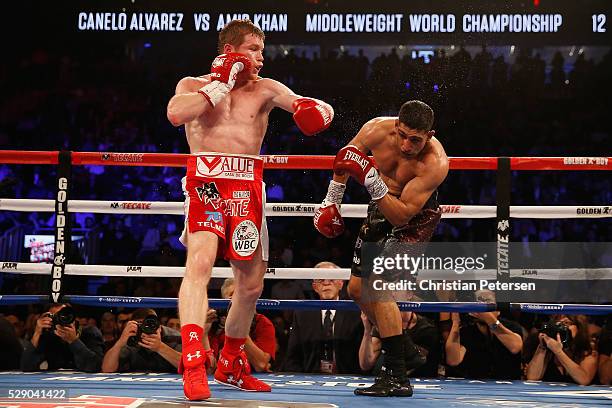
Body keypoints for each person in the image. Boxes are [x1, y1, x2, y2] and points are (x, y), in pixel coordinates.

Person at [166, 19, 333, 400]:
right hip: (206, 183)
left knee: (251, 283)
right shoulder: (192, 84)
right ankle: (194, 362)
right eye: (254, 50)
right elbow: (176, 114)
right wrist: (220, 84)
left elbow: (304, 105)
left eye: (262, 51)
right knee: (201, 264)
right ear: (231, 51)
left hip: (246, 187)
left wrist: (320, 110)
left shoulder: (266, 89)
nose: (261, 58)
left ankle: (230, 362)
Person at [314, 100, 448, 397]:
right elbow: (346, 157)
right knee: (358, 290)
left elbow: (401, 214)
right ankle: (405, 348)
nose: (405, 145)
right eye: (402, 134)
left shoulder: (434, 163)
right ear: (396, 125)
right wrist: (332, 200)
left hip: (414, 219)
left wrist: (370, 178)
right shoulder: (376, 129)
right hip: (380, 206)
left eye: (415, 139)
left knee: (380, 287)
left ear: (429, 135)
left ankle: (396, 376)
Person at [283, 262, 363, 374]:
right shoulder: (303, 314)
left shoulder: (355, 312)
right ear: (314, 286)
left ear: (341, 284)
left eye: (332, 279)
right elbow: (292, 356)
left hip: (347, 376)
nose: (326, 283)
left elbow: (362, 357)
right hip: (310, 378)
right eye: (321, 280)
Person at [445, 290, 523, 380]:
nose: (482, 306)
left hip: (508, 384)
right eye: (478, 303)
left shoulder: (511, 327)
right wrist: (455, 323)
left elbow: (515, 347)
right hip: (476, 385)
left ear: (498, 311)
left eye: (487, 302)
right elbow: (453, 360)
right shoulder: (467, 330)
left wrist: (489, 318)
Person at [208, 278, 276, 373]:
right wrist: (203, 332)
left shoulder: (261, 322)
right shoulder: (213, 323)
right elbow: (208, 367)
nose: (238, 300)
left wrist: (240, 329)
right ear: (224, 301)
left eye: (242, 295)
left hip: (253, 377)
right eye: (233, 295)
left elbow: (261, 365)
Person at [20, 303, 104, 372]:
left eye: (64, 315)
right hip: (57, 385)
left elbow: (95, 366)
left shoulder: (90, 333)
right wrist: (37, 332)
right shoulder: (48, 336)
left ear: (72, 317)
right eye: (55, 317)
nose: (60, 320)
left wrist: (73, 341)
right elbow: (27, 367)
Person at [359, 310, 441, 378]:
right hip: (388, 379)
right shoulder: (383, 325)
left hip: (419, 380)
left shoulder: (426, 328)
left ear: (409, 295)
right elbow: (366, 364)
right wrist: (367, 329)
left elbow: (416, 362)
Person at [101, 308, 182, 373]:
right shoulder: (131, 337)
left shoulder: (174, 336)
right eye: (141, 325)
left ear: (159, 326)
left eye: (149, 324)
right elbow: (107, 369)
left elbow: (189, 365)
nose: (145, 328)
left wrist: (160, 347)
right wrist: (120, 342)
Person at [525, 314, 598, 385]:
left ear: (579, 328)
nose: (563, 327)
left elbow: (584, 380)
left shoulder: (587, 351)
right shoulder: (549, 348)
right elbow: (532, 378)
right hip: (549, 396)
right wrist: (542, 346)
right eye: (559, 324)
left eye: (567, 323)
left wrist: (558, 352)